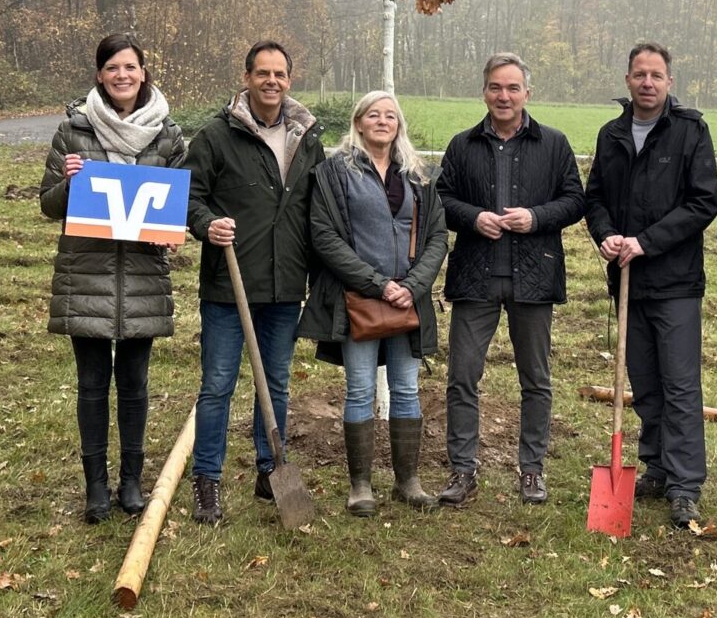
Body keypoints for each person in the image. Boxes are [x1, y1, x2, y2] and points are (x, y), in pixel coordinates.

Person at [38, 33, 188, 523]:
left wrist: (175, 228)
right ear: (100, 76)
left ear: (144, 73)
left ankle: (130, 483)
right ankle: (96, 487)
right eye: (112, 68)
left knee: (135, 385)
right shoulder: (72, 132)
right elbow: (48, 205)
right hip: (87, 275)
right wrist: (69, 182)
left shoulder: (169, 136)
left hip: (143, 277)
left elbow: (182, 206)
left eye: (130, 67)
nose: (122, 75)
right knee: (91, 385)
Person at [181, 40, 326, 524]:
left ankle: (271, 469)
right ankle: (208, 481)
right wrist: (206, 224)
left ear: (290, 78)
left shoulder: (306, 136)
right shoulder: (216, 137)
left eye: (279, 74)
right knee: (218, 385)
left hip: (286, 284)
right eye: (261, 73)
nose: (271, 81)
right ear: (245, 78)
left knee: (277, 383)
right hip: (230, 283)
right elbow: (188, 197)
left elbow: (319, 208)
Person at [435, 52, 586, 506]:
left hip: (534, 276)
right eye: (496, 87)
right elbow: (441, 198)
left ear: (527, 93)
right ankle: (463, 471)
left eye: (512, 87)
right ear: (484, 91)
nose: (504, 96)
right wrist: (473, 217)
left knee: (535, 379)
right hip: (475, 277)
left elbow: (575, 200)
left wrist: (536, 217)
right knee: (462, 377)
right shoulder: (462, 146)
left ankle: (532, 470)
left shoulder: (554, 144)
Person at [583, 42, 717, 529]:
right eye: (639, 74)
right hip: (626, 278)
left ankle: (686, 485)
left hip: (675, 282)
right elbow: (594, 197)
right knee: (643, 381)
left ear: (669, 82)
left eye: (656, 75)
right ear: (627, 80)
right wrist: (606, 235)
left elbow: (704, 203)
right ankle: (658, 467)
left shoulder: (690, 132)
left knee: (680, 384)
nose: (647, 82)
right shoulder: (612, 134)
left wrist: (647, 242)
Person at [298, 92, 450, 516]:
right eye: (373, 115)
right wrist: (379, 285)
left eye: (390, 115)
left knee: (406, 389)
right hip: (356, 300)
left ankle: (408, 481)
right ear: (359, 123)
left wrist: (413, 286)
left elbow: (437, 236)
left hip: (407, 302)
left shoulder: (418, 175)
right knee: (361, 389)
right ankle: (360, 485)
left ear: (398, 125)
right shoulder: (334, 172)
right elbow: (324, 235)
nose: (383, 121)